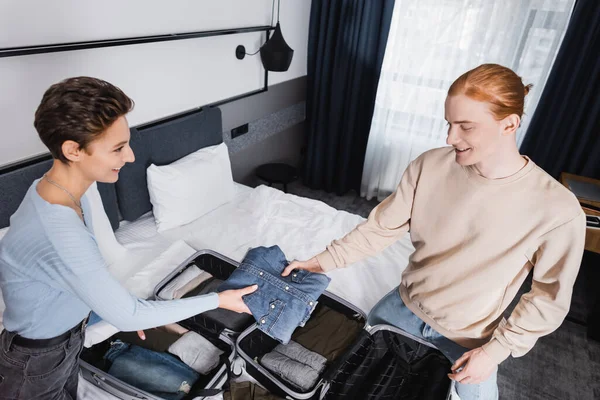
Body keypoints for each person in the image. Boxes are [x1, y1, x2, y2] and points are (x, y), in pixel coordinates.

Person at [282, 63, 586, 400]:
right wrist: (321, 261)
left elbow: (549, 300)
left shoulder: (557, 209)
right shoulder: (430, 165)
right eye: (449, 124)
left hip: (469, 341)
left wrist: (495, 352)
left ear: (509, 124)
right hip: (399, 310)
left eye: (465, 127)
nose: (450, 138)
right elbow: (380, 229)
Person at [0, 77, 257, 399]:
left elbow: (80, 282)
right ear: (73, 150)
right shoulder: (59, 232)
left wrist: (110, 310)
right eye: (118, 148)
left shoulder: (59, 188)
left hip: (68, 338)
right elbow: (126, 312)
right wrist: (219, 299)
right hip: (37, 359)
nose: (131, 157)